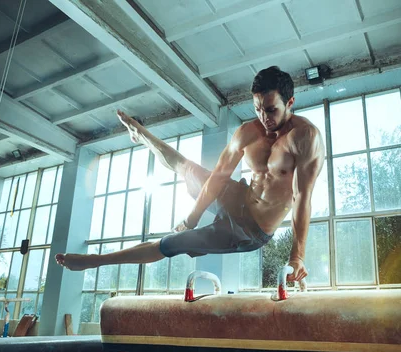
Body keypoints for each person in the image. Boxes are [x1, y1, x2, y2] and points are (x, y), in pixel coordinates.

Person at [55, 66, 325, 282]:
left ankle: (95, 260)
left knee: (172, 243)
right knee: (188, 169)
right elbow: (218, 177)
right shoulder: (247, 132)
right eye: (257, 108)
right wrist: (192, 218)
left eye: (270, 110)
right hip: (239, 197)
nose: (263, 117)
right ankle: (142, 135)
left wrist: (297, 256)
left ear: (290, 102)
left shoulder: (304, 138)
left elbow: (302, 198)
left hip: (249, 230)